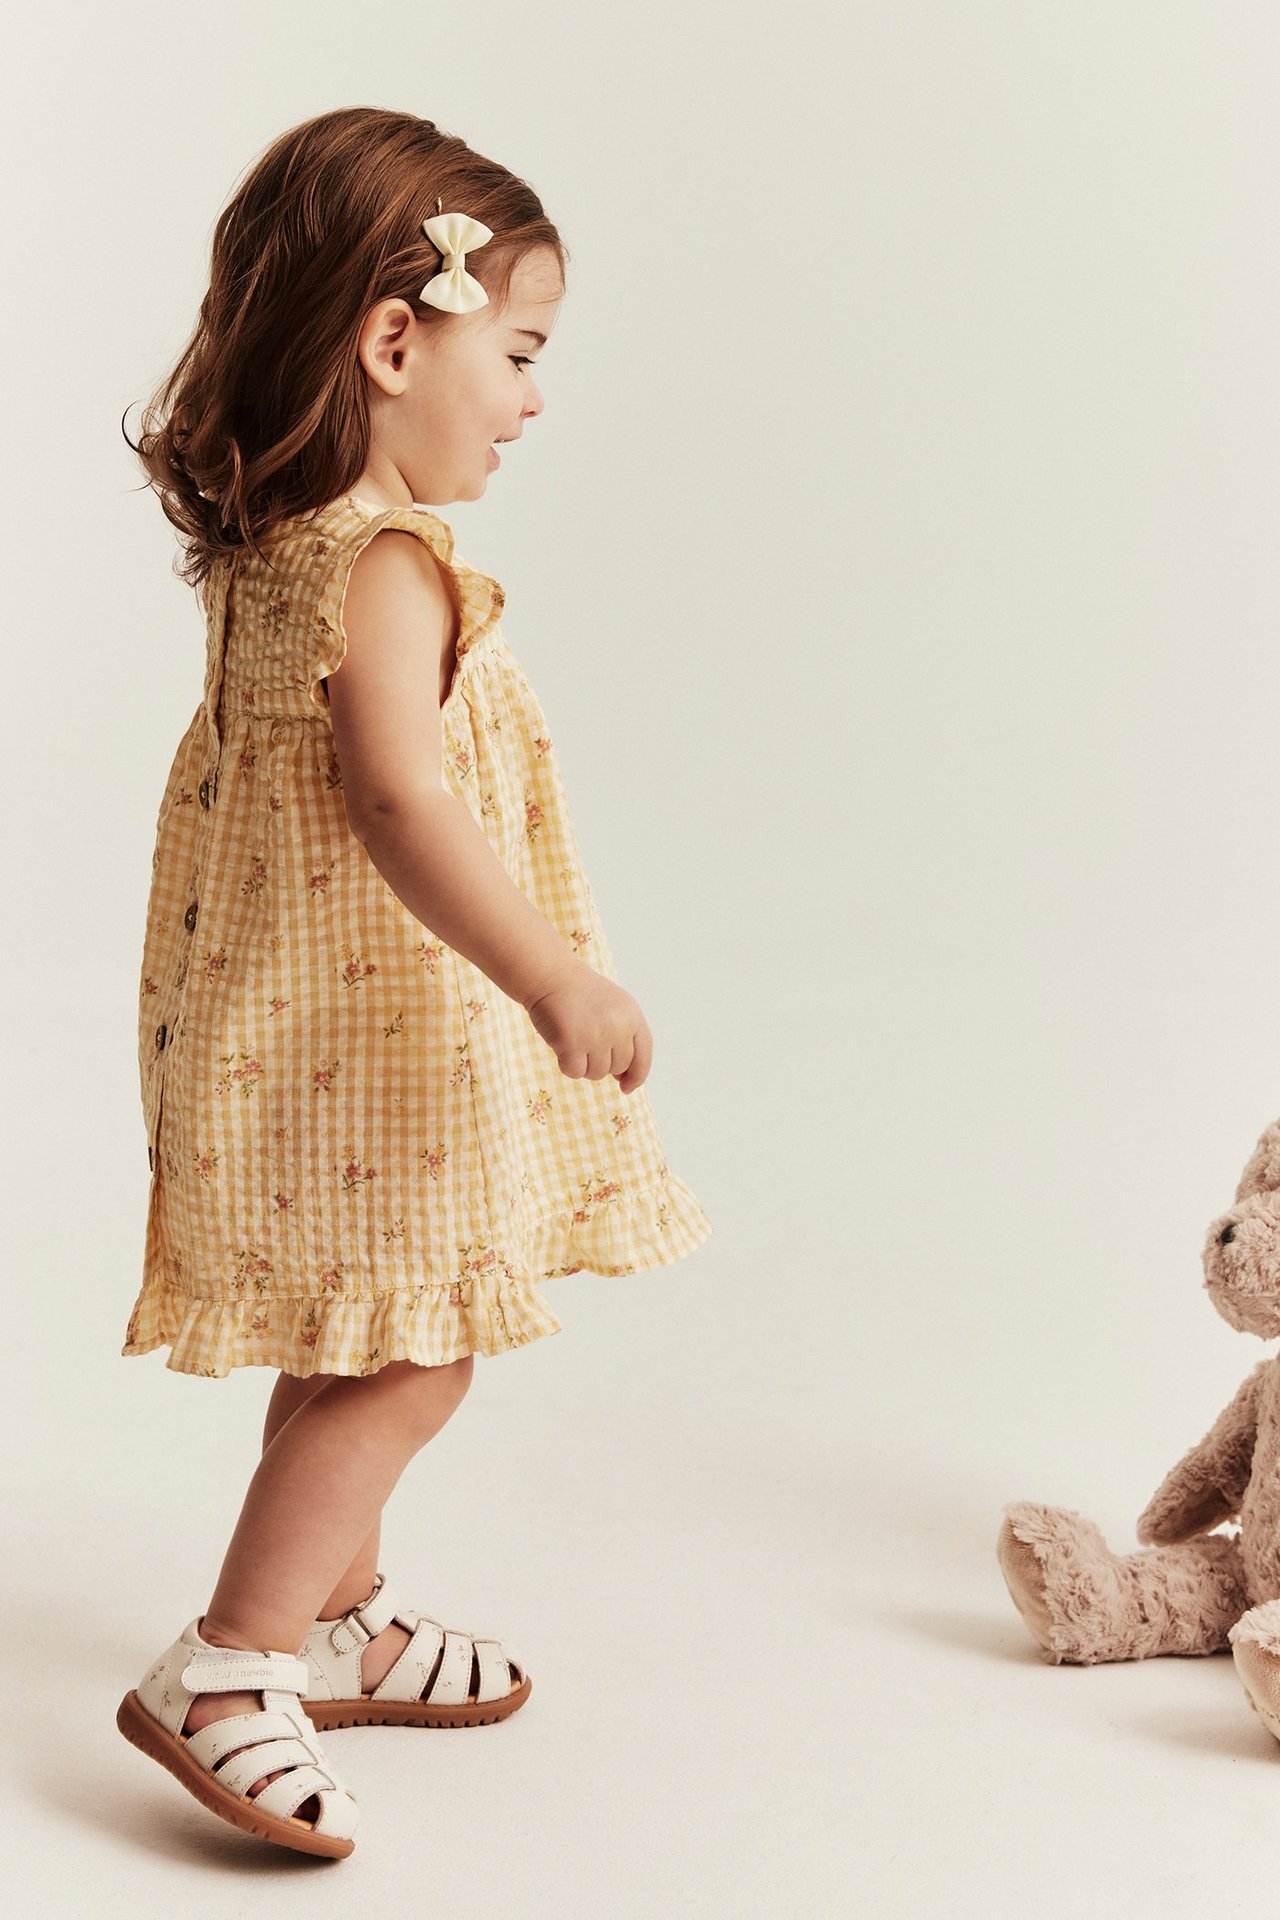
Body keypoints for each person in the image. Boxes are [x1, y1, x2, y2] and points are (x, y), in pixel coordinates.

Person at [114, 105, 712, 1863]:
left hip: (284, 1027)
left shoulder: (275, 539)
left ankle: (340, 1609)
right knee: (417, 1353)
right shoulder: (385, 563)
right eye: (517, 353)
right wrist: (550, 974)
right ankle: (226, 1665)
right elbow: (398, 797)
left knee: (357, 1324)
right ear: (395, 341)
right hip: (373, 1031)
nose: (533, 399)